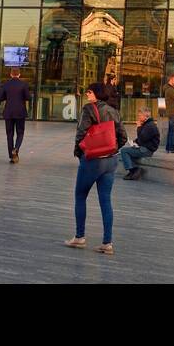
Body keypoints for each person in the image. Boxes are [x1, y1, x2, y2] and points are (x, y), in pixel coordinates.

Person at [65, 82, 126, 255]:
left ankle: (79, 237)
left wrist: (79, 152)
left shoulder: (89, 109)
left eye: (89, 92)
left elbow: (81, 132)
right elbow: (123, 136)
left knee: (80, 196)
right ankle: (107, 242)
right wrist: (112, 149)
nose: (87, 95)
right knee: (105, 200)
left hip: (93, 160)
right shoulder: (114, 110)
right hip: (111, 160)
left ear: (96, 94)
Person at [0, 67, 32, 163]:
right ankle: (16, 148)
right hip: (20, 112)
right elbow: (28, 97)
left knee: (9, 134)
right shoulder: (23, 85)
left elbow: (1, 97)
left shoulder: (6, 84)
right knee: (20, 132)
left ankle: (11, 155)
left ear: (11, 74)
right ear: (19, 74)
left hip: (8, 112)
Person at [120, 109, 160, 180]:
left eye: (140, 115)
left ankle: (133, 170)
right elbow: (142, 138)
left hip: (147, 150)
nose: (138, 117)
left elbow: (142, 138)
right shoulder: (148, 124)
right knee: (128, 150)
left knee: (124, 151)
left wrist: (138, 127)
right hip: (145, 147)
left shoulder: (150, 126)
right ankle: (133, 169)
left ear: (145, 116)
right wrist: (134, 142)